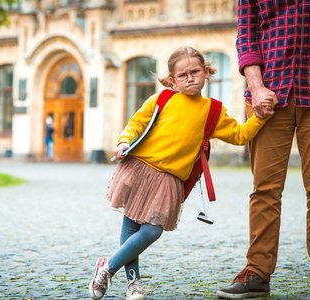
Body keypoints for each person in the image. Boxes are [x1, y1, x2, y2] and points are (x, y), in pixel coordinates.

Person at [88, 46, 275, 300]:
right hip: (140, 168)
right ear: (173, 79)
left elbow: (240, 135)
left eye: (195, 72)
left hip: (169, 179)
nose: (190, 78)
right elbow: (137, 123)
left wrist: (259, 117)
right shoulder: (162, 99)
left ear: (206, 72)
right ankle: (133, 283)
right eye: (183, 74)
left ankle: (107, 266)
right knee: (131, 226)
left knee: (152, 230)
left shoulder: (213, 110)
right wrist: (123, 141)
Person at [217, 1, 310, 299]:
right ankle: (257, 272)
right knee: (265, 190)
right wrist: (257, 87)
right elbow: (247, 37)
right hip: (268, 98)